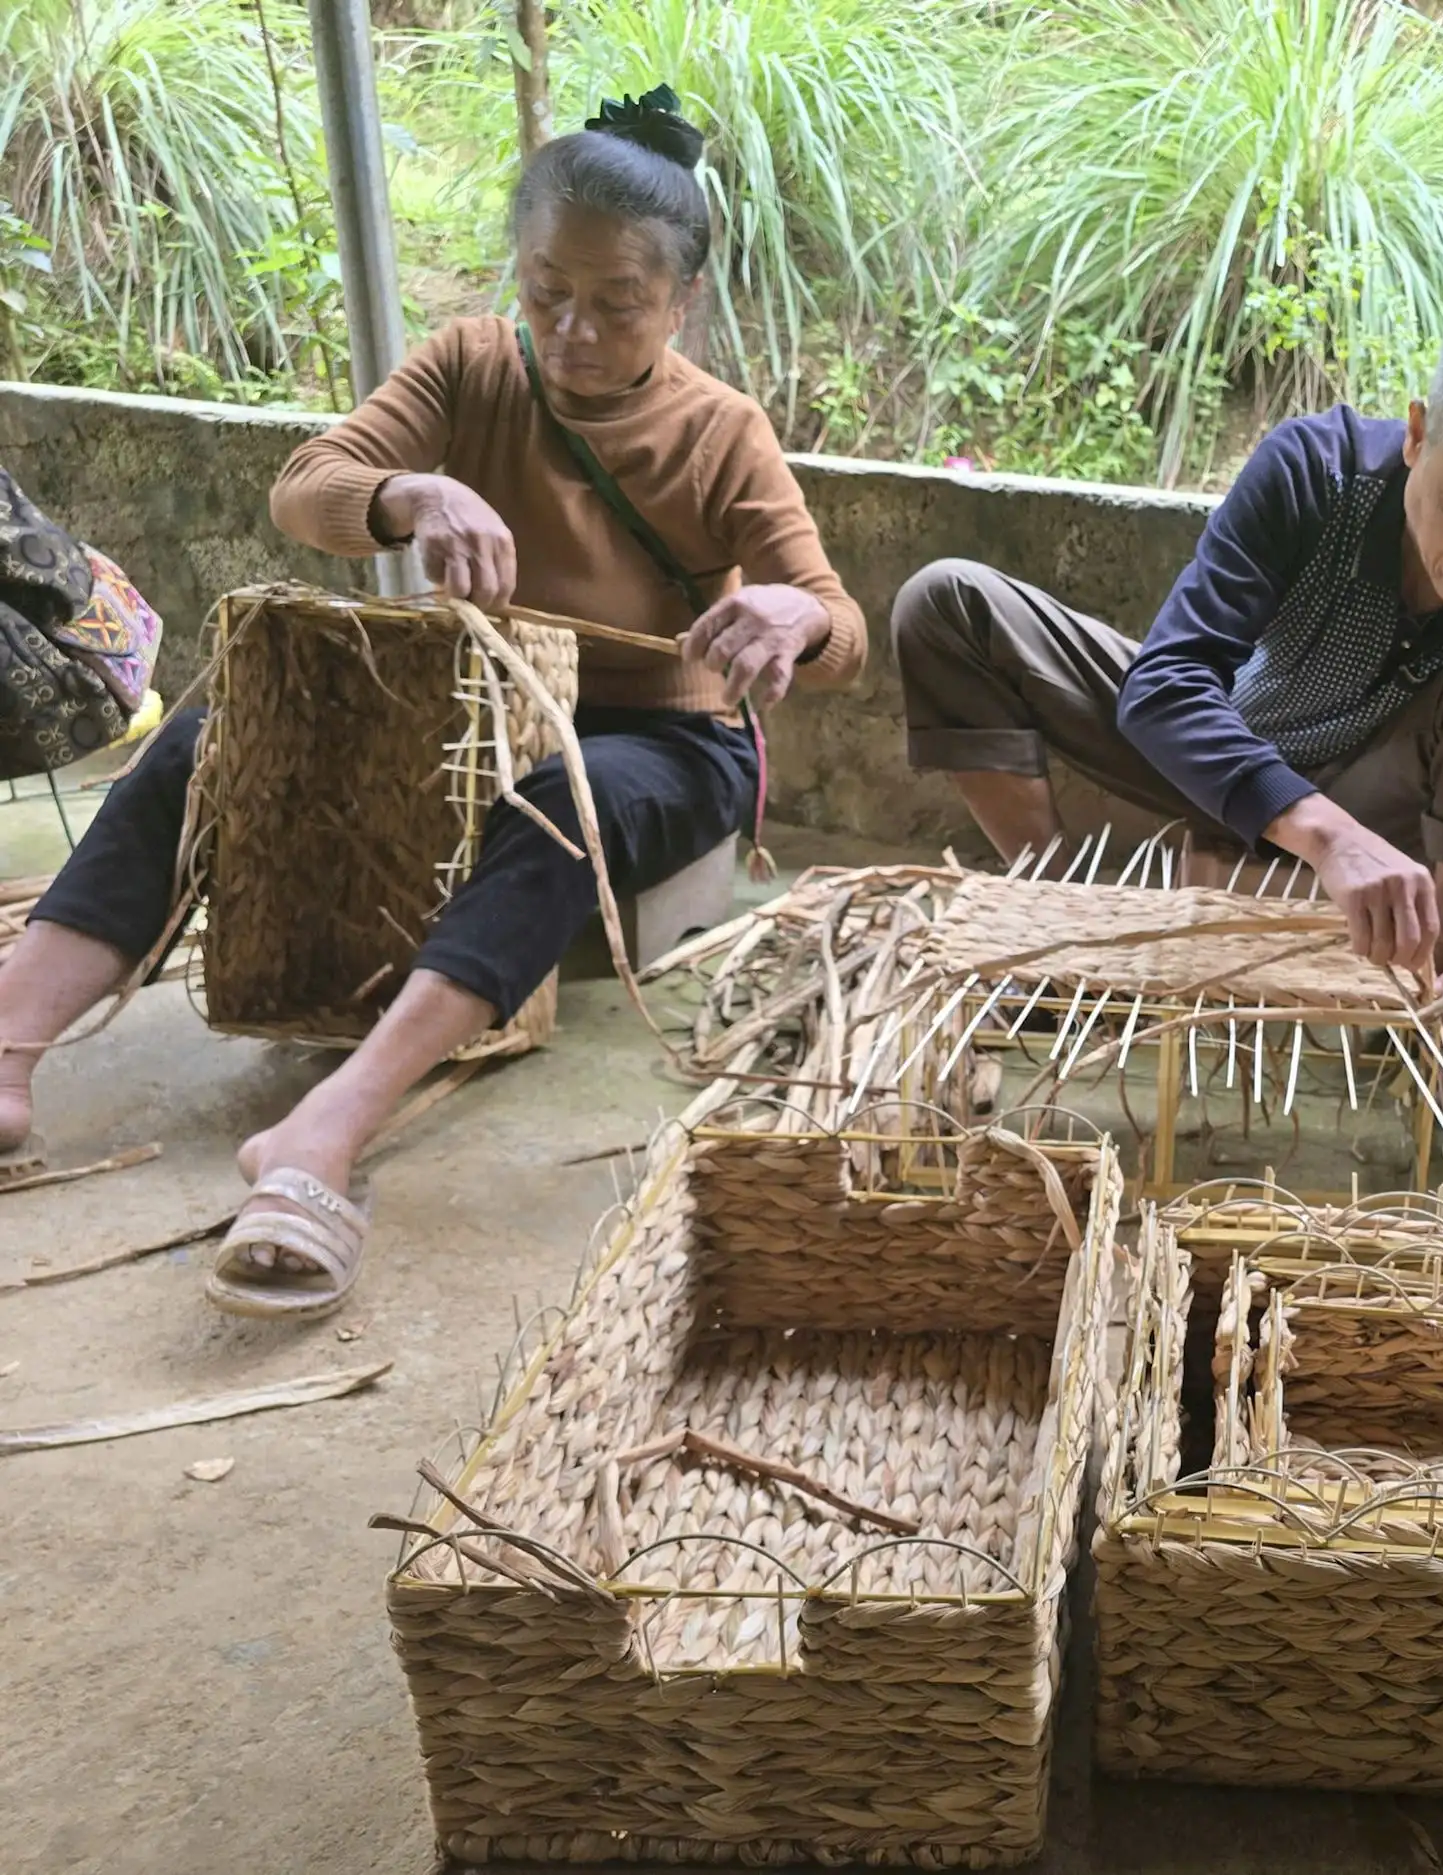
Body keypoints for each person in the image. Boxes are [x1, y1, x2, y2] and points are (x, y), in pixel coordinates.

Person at [0, 87, 865, 1315]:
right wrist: (410, 493)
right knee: (213, 739)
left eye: (618, 304)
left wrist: (798, 615)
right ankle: (9, 1048)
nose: (572, 329)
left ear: (682, 303)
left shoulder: (722, 431)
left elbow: (843, 636)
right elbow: (309, 488)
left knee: (564, 799)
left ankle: (322, 1132)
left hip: (661, 739)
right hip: (475, 704)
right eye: (545, 289)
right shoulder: (469, 362)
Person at [891, 300, 1443, 1120]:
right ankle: (1074, 944)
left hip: (1391, 831)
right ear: (1418, 435)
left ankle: (1419, 1012)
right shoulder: (1317, 471)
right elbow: (1169, 682)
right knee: (945, 605)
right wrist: (1324, 834)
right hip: (1225, 757)